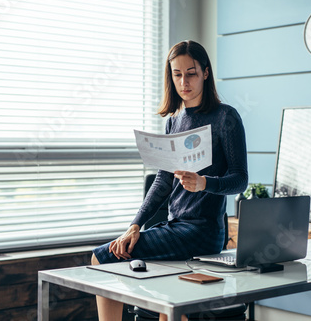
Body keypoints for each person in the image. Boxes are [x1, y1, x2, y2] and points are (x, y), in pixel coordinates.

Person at [91, 40, 249, 321]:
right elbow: (163, 182)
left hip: (203, 232)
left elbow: (240, 180)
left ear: (205, 73)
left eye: (191, 73)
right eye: (177, 74)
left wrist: (204, 183)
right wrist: (134, 225)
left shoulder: (226, 118)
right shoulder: (174, 121)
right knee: (160, 295)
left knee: (102, 258)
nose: (184, 81)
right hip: (175, 226)